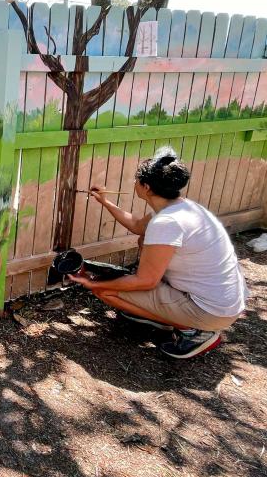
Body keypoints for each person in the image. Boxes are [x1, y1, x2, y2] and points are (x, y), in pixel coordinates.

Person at [68, 147, 247, 359]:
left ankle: (193, 331)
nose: (134, 183)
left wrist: (95, 284)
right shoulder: (181, 207)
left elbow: (146, 281)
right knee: (143, 239)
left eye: (136, 180)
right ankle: (165, 315)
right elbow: (136, 225)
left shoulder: (167, 222)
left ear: (146, 187)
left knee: (106, 292)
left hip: (210, 311)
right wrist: (105, 202)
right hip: (223, 302)